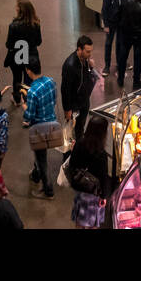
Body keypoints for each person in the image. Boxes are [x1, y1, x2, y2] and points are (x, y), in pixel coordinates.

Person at [65, 113, 113, 229]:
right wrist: (104, 196)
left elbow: (72, 165)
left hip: (80, 189)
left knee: (79, 221)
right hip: (94, 195)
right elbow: (103, 177)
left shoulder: (80, 143)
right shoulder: (101, 154)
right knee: (93, 224)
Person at [20, 57, 59, 198]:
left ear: (28, 71)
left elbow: (29, 116)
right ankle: (36, 175)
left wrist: (23, 104)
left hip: (39, 129)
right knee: (40, 155)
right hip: (52, 125)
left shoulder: (32, 92)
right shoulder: (51, 81)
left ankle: (48, 190)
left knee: (42, 160)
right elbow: (54, 101)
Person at [60, 35, 99, 143]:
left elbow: (85, 78)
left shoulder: (85, 59)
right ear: (79, 49)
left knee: (80, 129)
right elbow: (65, 90)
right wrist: (67, 109)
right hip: (74, 105)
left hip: (84, 101)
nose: (90, 54)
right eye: (87, 51)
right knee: (71, 134)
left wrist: (90, 67)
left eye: (91, 51)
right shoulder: (70, 65)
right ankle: (69, 156)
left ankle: (78, 150)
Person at [5, 0, 42, 106]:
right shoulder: (36, 24)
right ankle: (26, 99)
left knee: (17, 78)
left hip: (18, 55)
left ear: (20, 11)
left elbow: (9, 44)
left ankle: (17, 99)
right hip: (31, 55)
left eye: (17, 7)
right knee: (29, 79)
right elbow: (39, 42)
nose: (15, 8)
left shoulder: (13, 26)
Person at [99, 0, 130, 77]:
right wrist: (106, 25)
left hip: (122, 22)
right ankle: (107, 66)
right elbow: (104, 9)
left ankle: (120, 63)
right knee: (108, 43)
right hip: (111, 23)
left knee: (120, 43)